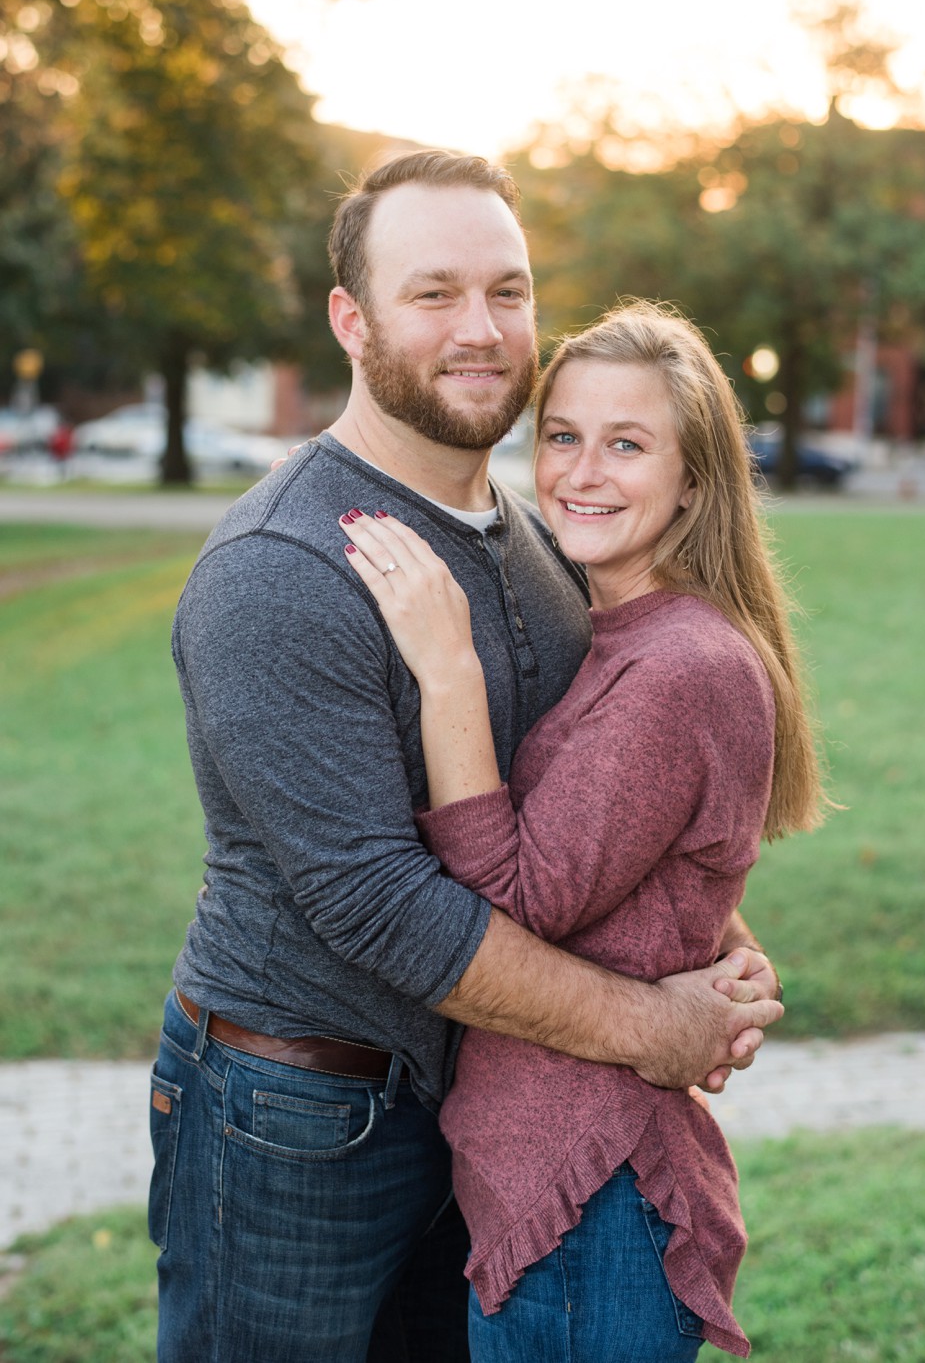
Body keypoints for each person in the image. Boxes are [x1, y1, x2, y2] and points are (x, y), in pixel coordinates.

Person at [149, 151, 783, 1363]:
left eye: (508, 290)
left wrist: (719, 945)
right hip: (292, 1107)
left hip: (477, 1097)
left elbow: (585, 808)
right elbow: (379, 906)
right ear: (351, 318)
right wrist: (654, 1026)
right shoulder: (279, 571)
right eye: (433, 292)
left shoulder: (542, 543)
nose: (482, 329)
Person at [338, 299, 824, 1361]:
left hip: (590, 1196)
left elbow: (516, 902)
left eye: (626, 444)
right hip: (562, 1181)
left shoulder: (677, 668)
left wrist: (446, 667)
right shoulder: (611, 626)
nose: (580, 472)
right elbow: (660, 862)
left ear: (692, 478)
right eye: (561, 435)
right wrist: (728, 941)